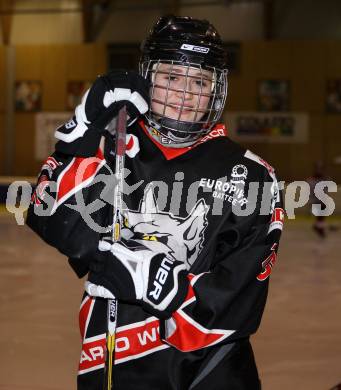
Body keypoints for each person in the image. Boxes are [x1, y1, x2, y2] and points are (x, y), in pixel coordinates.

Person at [27, 15, 284, 390]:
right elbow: (52, 217)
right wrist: (83, 131)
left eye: (200, 81)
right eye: (171, 77)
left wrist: (158, 282)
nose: (185, 93)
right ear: (148, 77)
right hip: (113, 362)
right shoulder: (113, 146)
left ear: (216, 89)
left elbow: (235, 306)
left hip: (212, 373)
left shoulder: (252, 176)